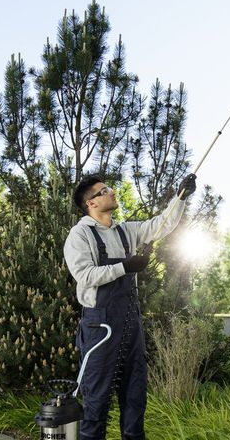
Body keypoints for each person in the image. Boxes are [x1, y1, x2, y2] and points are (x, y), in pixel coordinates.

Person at [63, 173, 196, 440]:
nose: (111, 192)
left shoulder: (126, 231)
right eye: (103, 191)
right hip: (99, 327)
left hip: (129, 324)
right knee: (96, 400)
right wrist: (124, 266)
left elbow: (162, 224)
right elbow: (85, 275)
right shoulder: (80, 235)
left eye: (109, 188)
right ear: (91, 203)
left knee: (135, 397)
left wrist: (181, 197)